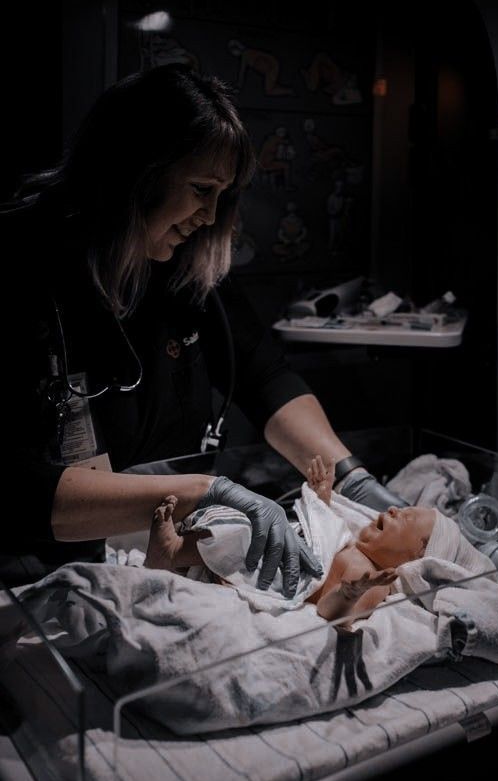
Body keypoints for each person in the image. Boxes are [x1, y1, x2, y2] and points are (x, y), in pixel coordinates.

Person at [1, 63, 405, 590]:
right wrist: (204, 492)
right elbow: (13, 487)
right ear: (133, 170)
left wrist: (350, 475)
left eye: (223, 195)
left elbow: (265, 377)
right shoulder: (24, 268)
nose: (211, 217)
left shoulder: (180, 268)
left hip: (148, 559)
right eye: (200, 189)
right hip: (32, 576)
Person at [144, 455, 436, 629]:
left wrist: (349, 594)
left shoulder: (376, 583)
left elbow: (330, 614)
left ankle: (172, 553)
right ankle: (180, 549)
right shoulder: (348, 539)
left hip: (276, 576)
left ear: (415, 556)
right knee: (242, 523)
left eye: (407, 519)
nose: (394, 509)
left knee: (243, 537)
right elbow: (319, 530)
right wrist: (321, 499)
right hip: (278, 550)